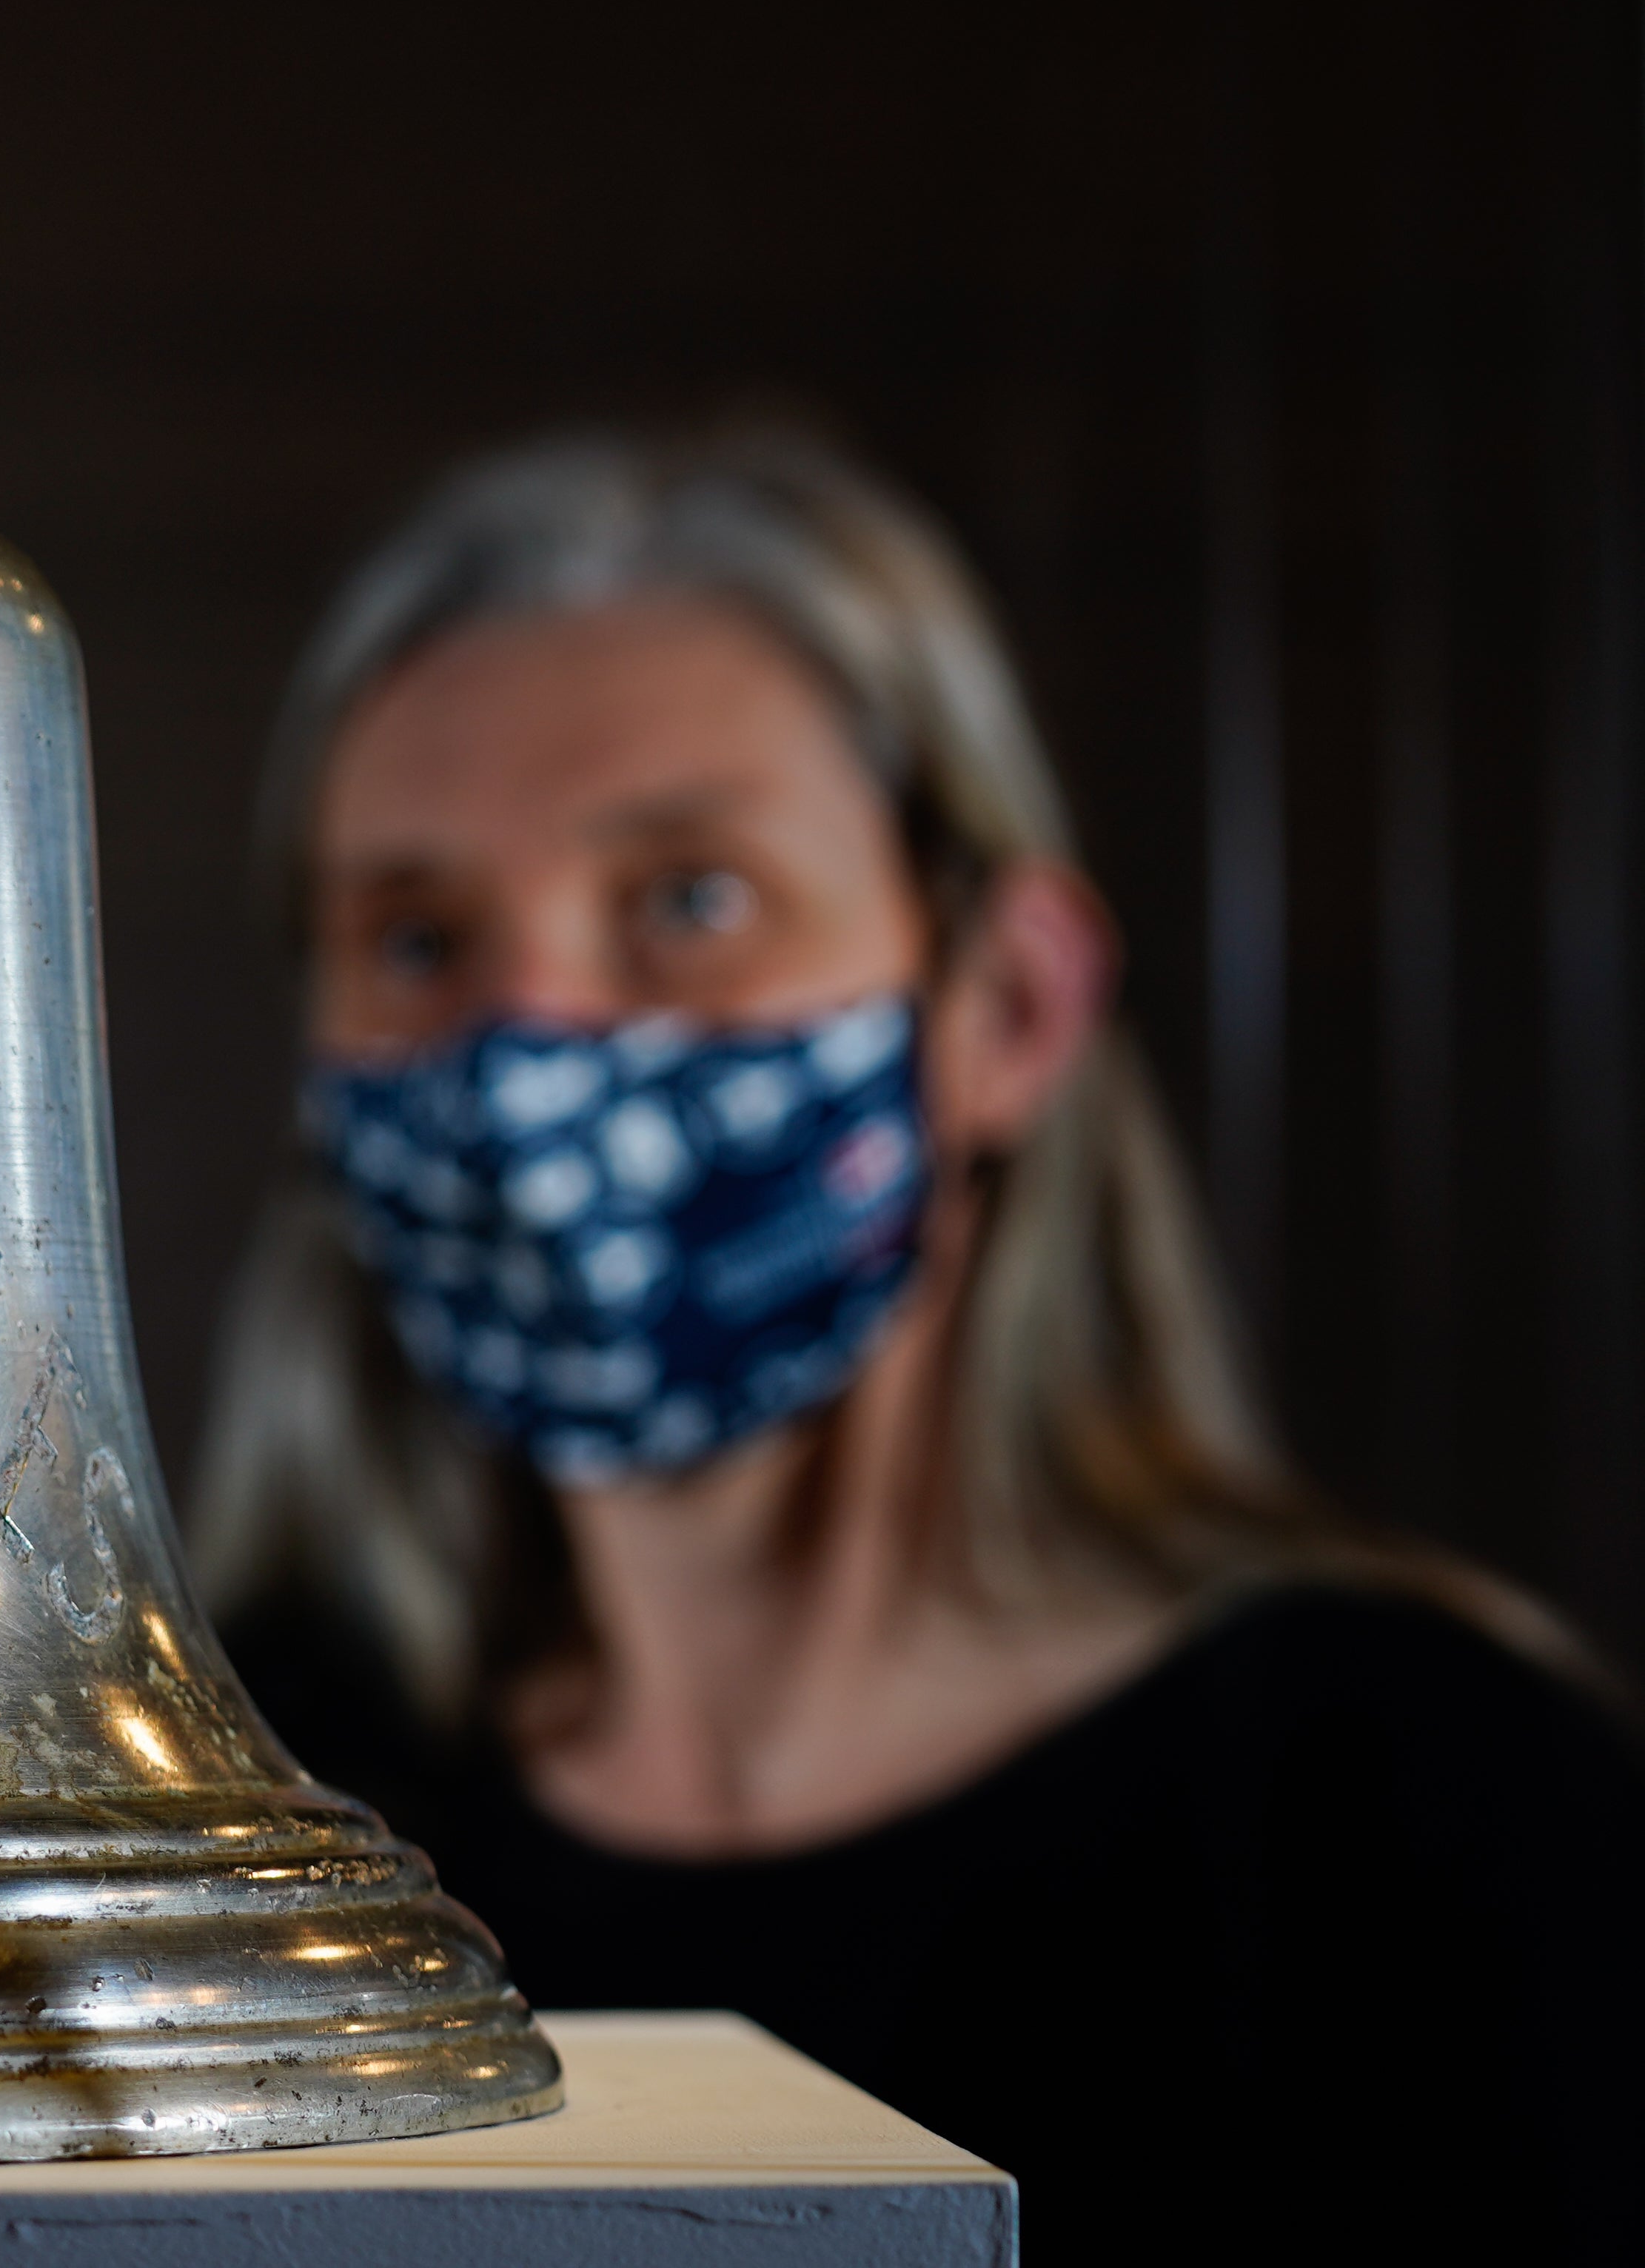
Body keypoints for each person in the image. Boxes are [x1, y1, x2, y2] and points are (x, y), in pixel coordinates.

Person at [188, 428, 1645, 2262]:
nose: (531, 1032)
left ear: (1007, 1002)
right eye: (416, 934)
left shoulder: (1434, 1817)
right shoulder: (228, 1838)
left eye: (689, 898)